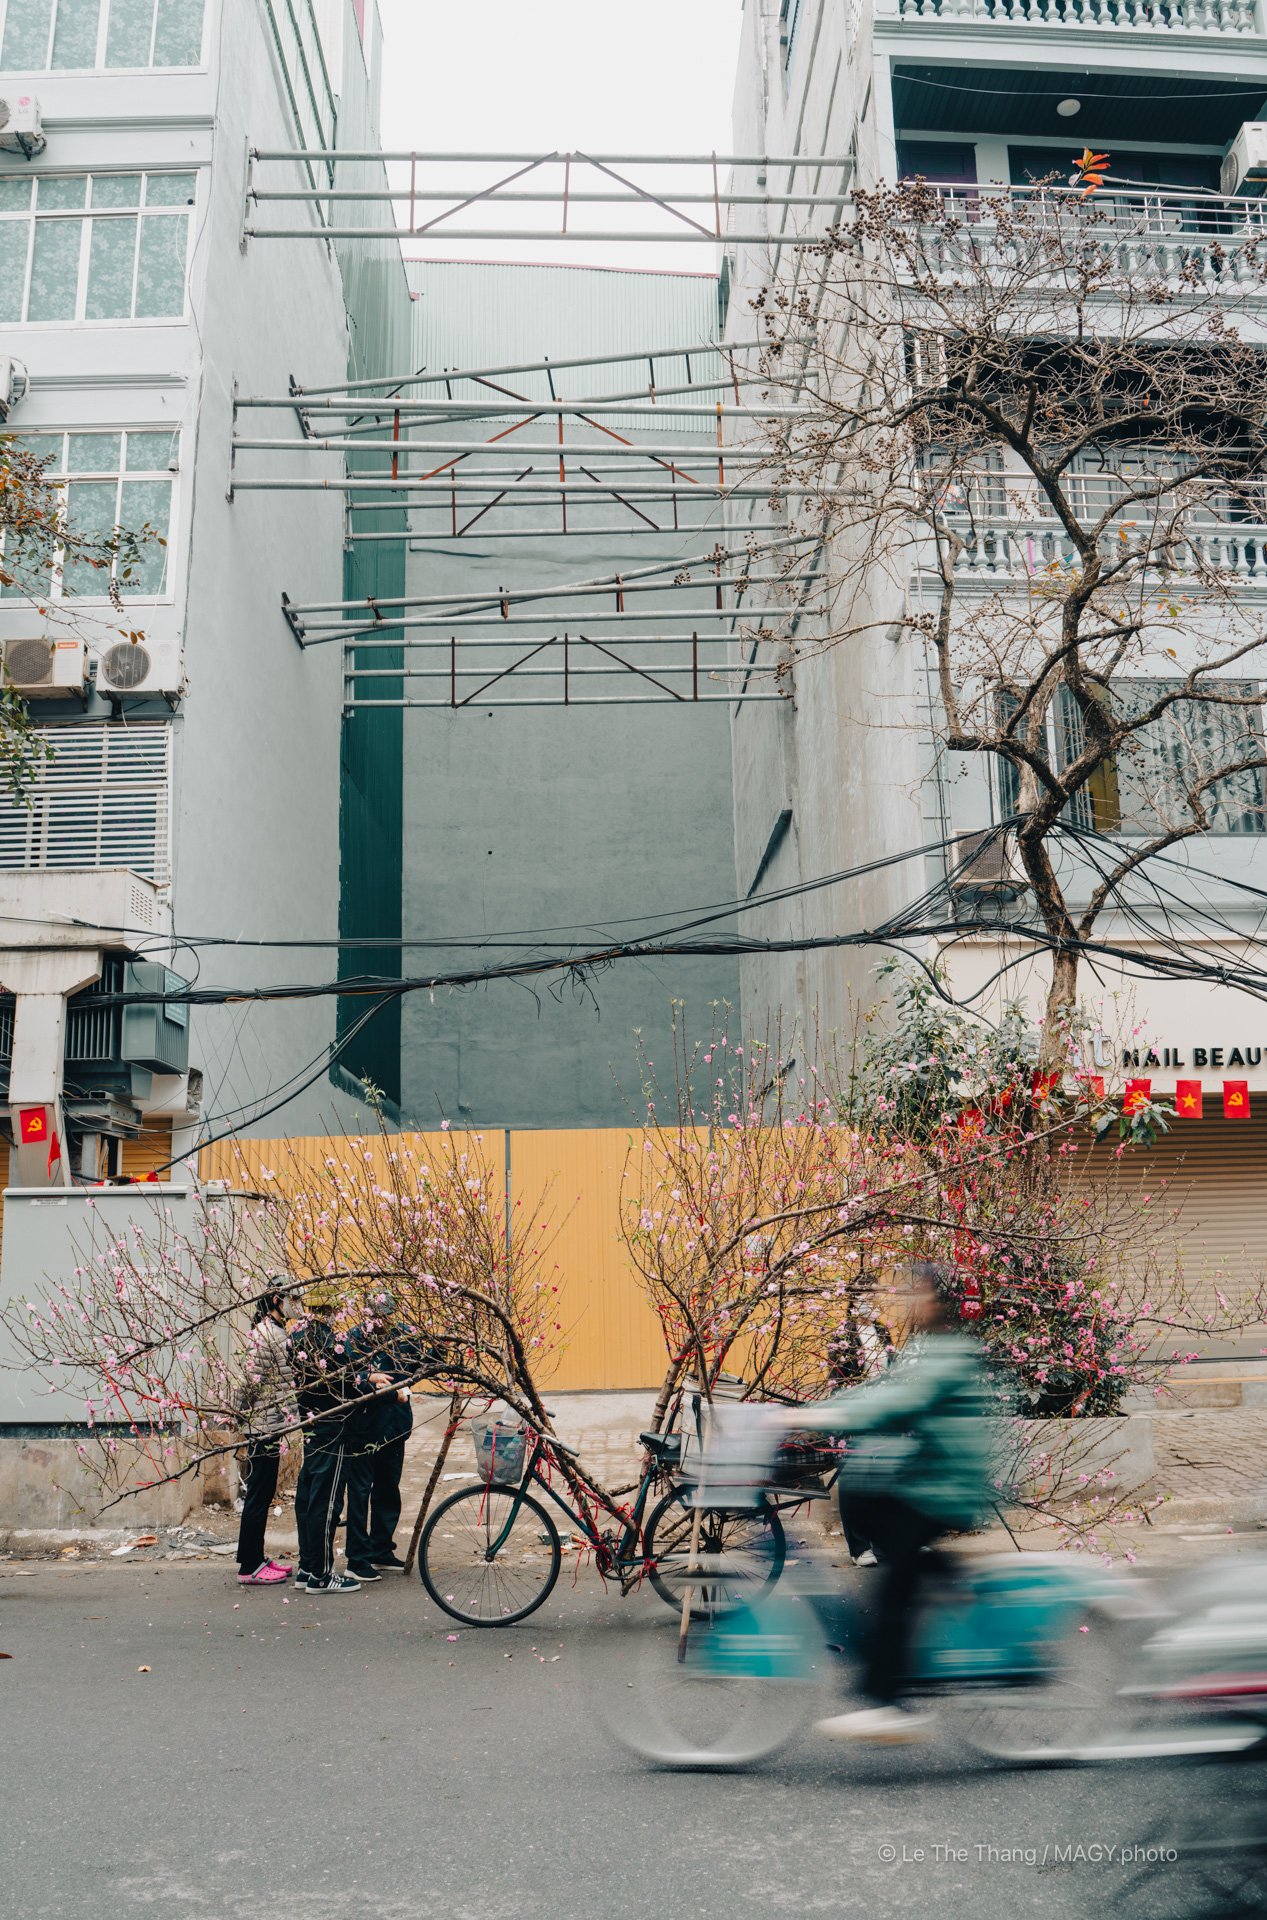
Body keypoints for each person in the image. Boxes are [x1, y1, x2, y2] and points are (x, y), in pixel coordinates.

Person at [798, 1259, 995, 1744]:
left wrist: (820, 1417)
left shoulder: (947, 1352)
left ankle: (888, 1703)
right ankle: (936, 1575)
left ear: (941, 1301)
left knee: (894, 1582)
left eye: (919, 1293)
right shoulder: (930, 1348)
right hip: (931, 1476)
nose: (911, 1302)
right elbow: (882, 1387)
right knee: (866, 1497)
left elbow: (898, 1400)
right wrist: (820, 1410)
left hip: (943, 1485)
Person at [342, 1292, 431, 1580]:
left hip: (395, 1427)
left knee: (388, 1489)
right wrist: (377, 1384)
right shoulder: (353, 1340)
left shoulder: (404, 1336)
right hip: (364, 1428)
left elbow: (420, 1365)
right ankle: (357, 1558)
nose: (383, 1321)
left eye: (387, 1315)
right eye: (378, 1316)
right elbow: (349, 1380)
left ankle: (381, 1548)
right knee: (359, 1493)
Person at [288, 1282, 361, 1594]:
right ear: (331, 1310)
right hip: (333, 1427)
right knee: (327, 1502)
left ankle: (307, 1567)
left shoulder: (296, 1337)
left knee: (307, 1496)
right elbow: (350, 1386)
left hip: (310, 1425)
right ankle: (321, 1574)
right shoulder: (332, 1342)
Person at [233, 1286, 298, 1587]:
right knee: (258, 1495)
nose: (296, 1305)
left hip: (271, 1424)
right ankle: (249, 1566)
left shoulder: (277, 1331)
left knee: (263, 1493)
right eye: (292, 1299)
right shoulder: (264, 1334)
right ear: (276, 1300)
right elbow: (249, 1381)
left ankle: (256, 1557)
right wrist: (240, 1416)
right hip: (262, 1426)